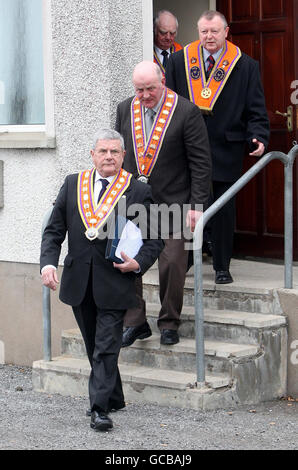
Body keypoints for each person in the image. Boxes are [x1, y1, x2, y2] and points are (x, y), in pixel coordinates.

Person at [40, 129, 163, 432]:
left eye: (115, 152)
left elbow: (154, 238)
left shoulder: (137, 191)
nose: (109, 157)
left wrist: (140, 263)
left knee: (107, 346)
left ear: (123, 156)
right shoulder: (72, 184)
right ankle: (116, 396)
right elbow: (54, 229)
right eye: (103, 151)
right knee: (94, 343)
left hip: (116, 282)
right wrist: (47, 264)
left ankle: (99, 408)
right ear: (92, 155)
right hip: (79, 281)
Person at [165, 10, 270, 284]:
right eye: (204, 32)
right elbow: (169, 105)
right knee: (189, 204)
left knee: (224, 208)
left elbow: (256, 110)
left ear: (226, 32)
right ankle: (185, 260)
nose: (209, 37)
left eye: (214, 31)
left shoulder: (245, 65)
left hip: (227, 148)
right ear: (198, 32)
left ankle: (222, 265)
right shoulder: (178, 61)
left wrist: (258, 136)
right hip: (186, 148)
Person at [115, 61, 211, 347]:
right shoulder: (124, 109)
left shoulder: (186, 111)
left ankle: (169, 322)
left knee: (171, 264)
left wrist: (197, 205)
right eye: (139, 90)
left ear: (163, 81)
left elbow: (201, 163)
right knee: (126, 262)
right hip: (135, 205)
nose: (144, 95)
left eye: (150, 89)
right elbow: (120, 155)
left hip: (175, 204)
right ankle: (135, 322)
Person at [153, 10, 182, 76]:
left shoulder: (182, 52)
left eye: (172, 33)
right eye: (163, 33)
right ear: (155, 30)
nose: (168, 38)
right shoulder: (146, 52)